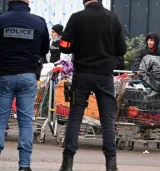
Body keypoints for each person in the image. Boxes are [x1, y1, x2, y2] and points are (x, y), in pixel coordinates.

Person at [58, 0, 127, 171]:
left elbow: (64, 47)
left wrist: (77, 45)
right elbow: (122, 49)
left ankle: (67, 164)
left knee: (75, 117)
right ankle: (111, 165)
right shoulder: (113, 18)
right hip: (104, 76)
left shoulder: (76, 18)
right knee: (107, 121)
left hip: (82, 75)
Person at [0, 0, 50, 171]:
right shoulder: (39, 22)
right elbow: (44, 50)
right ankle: (24, 165)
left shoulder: (2, 20)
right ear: (28, 1)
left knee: (0, 120)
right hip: (28, 75)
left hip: (4, 76)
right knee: (26, 122)